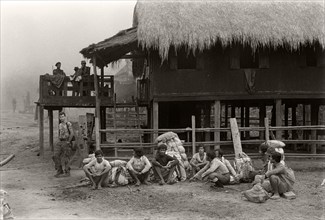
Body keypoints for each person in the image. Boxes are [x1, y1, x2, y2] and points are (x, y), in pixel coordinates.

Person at [52, 112, 74, 177]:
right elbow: (60, 133)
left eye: (62, 116)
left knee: (66, 157)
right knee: (55, 155)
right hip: (60, 141)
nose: (61, 118)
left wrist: (68, 141)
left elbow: (72, 133)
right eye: (60, 117)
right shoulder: (60, 125)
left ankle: (67, 172)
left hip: (66, 141)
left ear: (65, 117)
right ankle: (59, 170)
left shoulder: (68, 124)